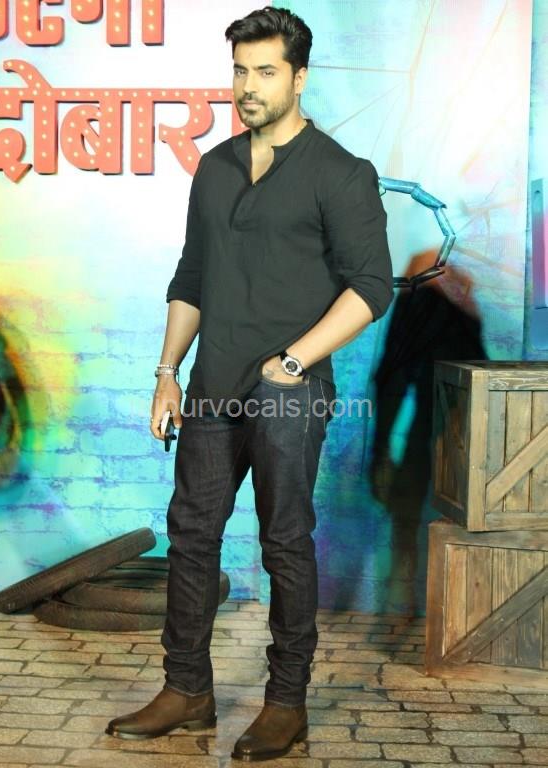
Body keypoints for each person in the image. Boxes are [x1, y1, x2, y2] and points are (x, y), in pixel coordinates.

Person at [106, 5, 393, 762]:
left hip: (288, 392)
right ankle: (187, 691)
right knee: (191, 535)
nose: (248, 86)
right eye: (240, 70)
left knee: (284, 542)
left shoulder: (340, 172)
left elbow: (371, 287)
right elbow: (192, 276)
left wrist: (294, 362)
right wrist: (167, 374)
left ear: (300, 78)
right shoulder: (216, 166)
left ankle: (286, 704)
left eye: (266, 71)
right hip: (211, 385)